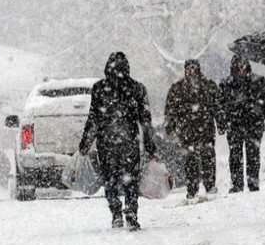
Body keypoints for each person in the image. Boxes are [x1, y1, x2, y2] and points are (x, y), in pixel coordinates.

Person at [79, 52, 157, 231]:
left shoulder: (99, 88)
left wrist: (85, 143)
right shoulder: (137, 88)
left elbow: (93, 118)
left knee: (110, 180)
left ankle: (116, 214)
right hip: (129, 142)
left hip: (107, 143)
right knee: (131, 181)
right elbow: (145, 120)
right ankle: (131, 213)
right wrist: (149, 143)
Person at [164, 59, 222, 202]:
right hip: (187, 130)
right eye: (189, 69)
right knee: (190, 161)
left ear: (198, 69)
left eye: (194, 68)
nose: (191, 71)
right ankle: (192, 189)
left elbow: (218, 106)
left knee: (208, 158)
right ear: (185, 70)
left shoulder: (208, 86)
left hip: (206, 129)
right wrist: (169, 126)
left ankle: (210, 186)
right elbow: (170, 109)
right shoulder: (177, 88)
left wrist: (221, 123)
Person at [219, 55, 265, 193]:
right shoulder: (226, 84)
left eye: (243, 66)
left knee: (253, 155)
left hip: (253, 125)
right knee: (235, 155)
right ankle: (237, 184)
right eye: (238, 67)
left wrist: (259, 113)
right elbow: (220, 105)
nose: (241, 69)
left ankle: (253, 183)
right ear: (234, 68)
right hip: (234, 125)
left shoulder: (258, 81)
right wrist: (226, 119)